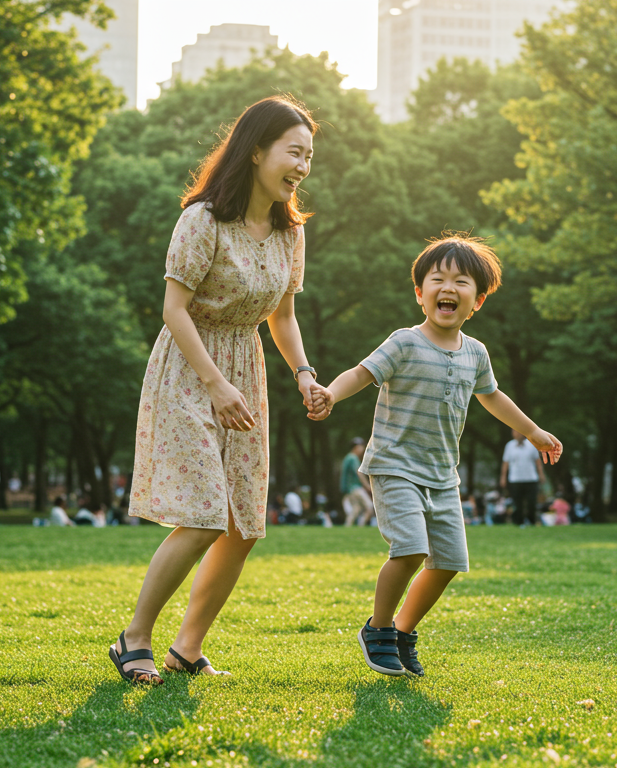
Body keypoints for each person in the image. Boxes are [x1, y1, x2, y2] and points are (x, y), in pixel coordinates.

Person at [113, 96, 326, 684]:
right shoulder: (203, 220)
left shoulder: (289, 232)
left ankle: (188, 647)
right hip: (190, 367)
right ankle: (134, 639)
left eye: (309, 156)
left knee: (243, 525)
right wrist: (214, 384)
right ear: (257, 151)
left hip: (246, 368)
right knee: (206, 514)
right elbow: (173, 309)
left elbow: (282, 317)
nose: (303, 166)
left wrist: (304, 375)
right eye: (293, 152)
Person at [310, 234, 563, 677]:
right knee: (409, 550)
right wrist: (329, 393)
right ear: (420, 293)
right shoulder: (404, 342)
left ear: (477, 301)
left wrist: (534, 431)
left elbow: (494, 397)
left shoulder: (476, 353)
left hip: (443, 473)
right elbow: (362, 372)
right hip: (394, 465)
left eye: (461, 281)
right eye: (438, 278)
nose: (448, 287)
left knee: (447, 562)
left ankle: (404, 632)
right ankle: (379, 629)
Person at [501, 428, 545, 527]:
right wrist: (503, 477)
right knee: (517, 503)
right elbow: (505, 463)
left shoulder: (531, 445)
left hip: (531, 479)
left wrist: (541, 475)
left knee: (531, 502)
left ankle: (532, 521)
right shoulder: (509, 446)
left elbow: (537, 462)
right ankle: (518, 522)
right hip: (515, 479)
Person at [341, 437, 374, 527]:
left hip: (350, 488)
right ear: (356, 447)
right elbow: (359, 473)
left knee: (356, 509)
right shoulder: (352, 458)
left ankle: (347, 527)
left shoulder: (348, 457)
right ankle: (361, 526)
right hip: (355, 487)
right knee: (369, 507)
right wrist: (368, 486)